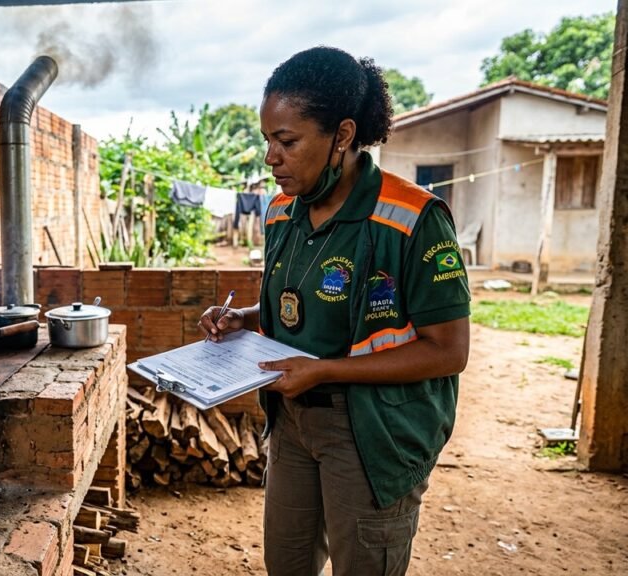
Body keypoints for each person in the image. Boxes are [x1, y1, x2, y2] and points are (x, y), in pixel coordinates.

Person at [198, 46, 471, 576]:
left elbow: (449, 351)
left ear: (342, 136)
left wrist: (326, 370)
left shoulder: (413, 218)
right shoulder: (281, 210)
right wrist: (246, 319)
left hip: (374, 431)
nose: (271, 158)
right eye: (267, 142)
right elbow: (297, 307)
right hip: (294, 419)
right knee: (288, 561)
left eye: (287, 141)